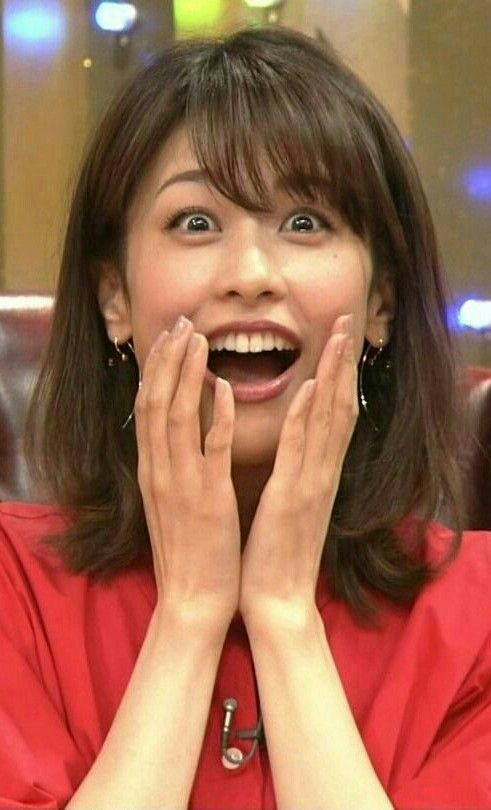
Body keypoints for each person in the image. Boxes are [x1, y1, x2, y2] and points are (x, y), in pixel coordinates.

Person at [1, 24, 490, 810]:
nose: (252, 274)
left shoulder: (478, 616)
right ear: (113, 298)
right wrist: (188, 616)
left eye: (305, 222)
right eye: (195, 222)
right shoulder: (12, 589)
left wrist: (285, 618)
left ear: (381, 303)